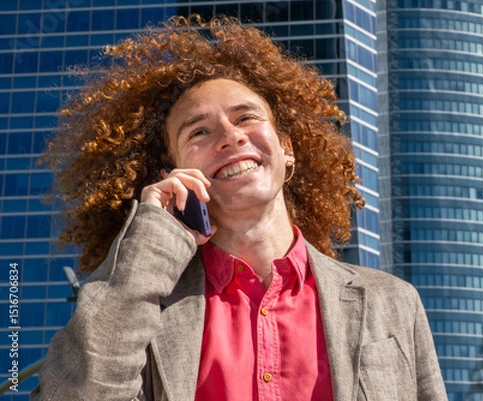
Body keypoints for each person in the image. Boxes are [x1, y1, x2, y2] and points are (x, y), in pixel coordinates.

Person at [31, 16, 447, 401]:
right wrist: (150, 239)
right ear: (172, 172)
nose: (231, 138)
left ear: (287, 149)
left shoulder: (392, 300)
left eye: (246, 118)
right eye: (199, 131)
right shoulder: (141, 307)